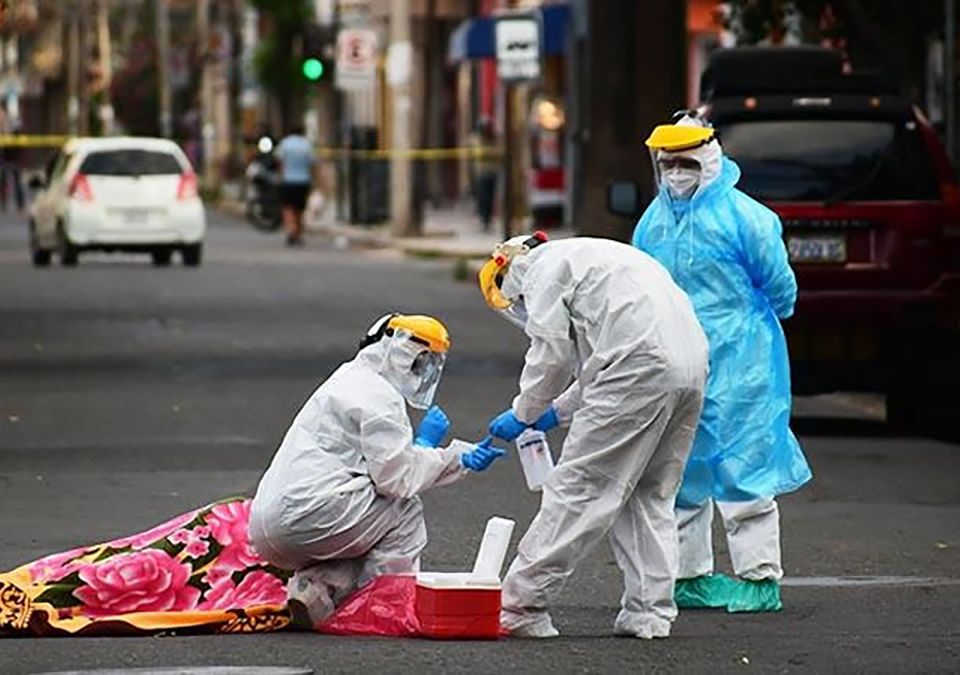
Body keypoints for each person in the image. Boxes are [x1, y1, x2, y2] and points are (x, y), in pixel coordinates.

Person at [479, 232, 710, 639]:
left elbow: (553, 354)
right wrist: (554, 413)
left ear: (508, 270)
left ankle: (520, 606)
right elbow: (602, 358)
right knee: (648, 492)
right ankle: (649, 613)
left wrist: (524, 412)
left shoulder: (542, 271)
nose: (519, 308)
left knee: (578, 490)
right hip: (688, 370)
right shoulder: (595, 257)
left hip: (638, 371)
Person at [631, 113, 812, 613]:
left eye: (685, 163)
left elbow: (780, 287)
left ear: (709, 160)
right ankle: (689, 576)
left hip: (742, 361)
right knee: (681, 468)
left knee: (743, 466)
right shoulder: (654, 220)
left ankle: (758, 578)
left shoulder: (747, 217)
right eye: (667, 165)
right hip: (677, 358)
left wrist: (747, 330)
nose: (675, 174)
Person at [248, 313, 506, 629]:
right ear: (393, 350)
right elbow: (397, 481)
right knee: (403, 510)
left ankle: (316, 590)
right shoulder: (379, 397)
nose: (420, 373)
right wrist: (456, 457)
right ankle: (384, 606)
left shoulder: (347, 379)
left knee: (369, 520)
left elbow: (372, 473)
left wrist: (434, 453)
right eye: (418, 362)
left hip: (270, 526)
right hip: (309, 517)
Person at [273, 126, 314, 246]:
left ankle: (291, 230)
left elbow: (279, 161)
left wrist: (280, 176)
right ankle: (298, 232)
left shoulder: (285, 144)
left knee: (288, 208)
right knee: (300, 209)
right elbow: (312, 163)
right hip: (303, 181)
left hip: (288, 180)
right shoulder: (306, 145)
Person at [468, 120, 498, 231]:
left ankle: (488, 219)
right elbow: (478, 153)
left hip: (492, 172)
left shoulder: (493, 140)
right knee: (483, 197)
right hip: (482, 173)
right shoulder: (477, 140)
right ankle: (483, 218)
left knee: (490, 197)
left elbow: (498, 152)